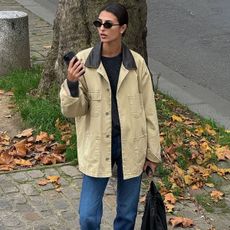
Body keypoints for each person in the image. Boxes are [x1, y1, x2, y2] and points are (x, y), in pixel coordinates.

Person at [60, 2, 161, 229]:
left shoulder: (137, 63)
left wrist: (152, 153)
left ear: (122, 28)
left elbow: (149, 110)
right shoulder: (84, 61)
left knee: (126, 215)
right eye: (98, 23)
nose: (101, 29)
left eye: (108, 24)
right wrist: (72, 84)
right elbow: (73, 110)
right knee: (87, 216)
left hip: (131, 144)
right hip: (97, 144)